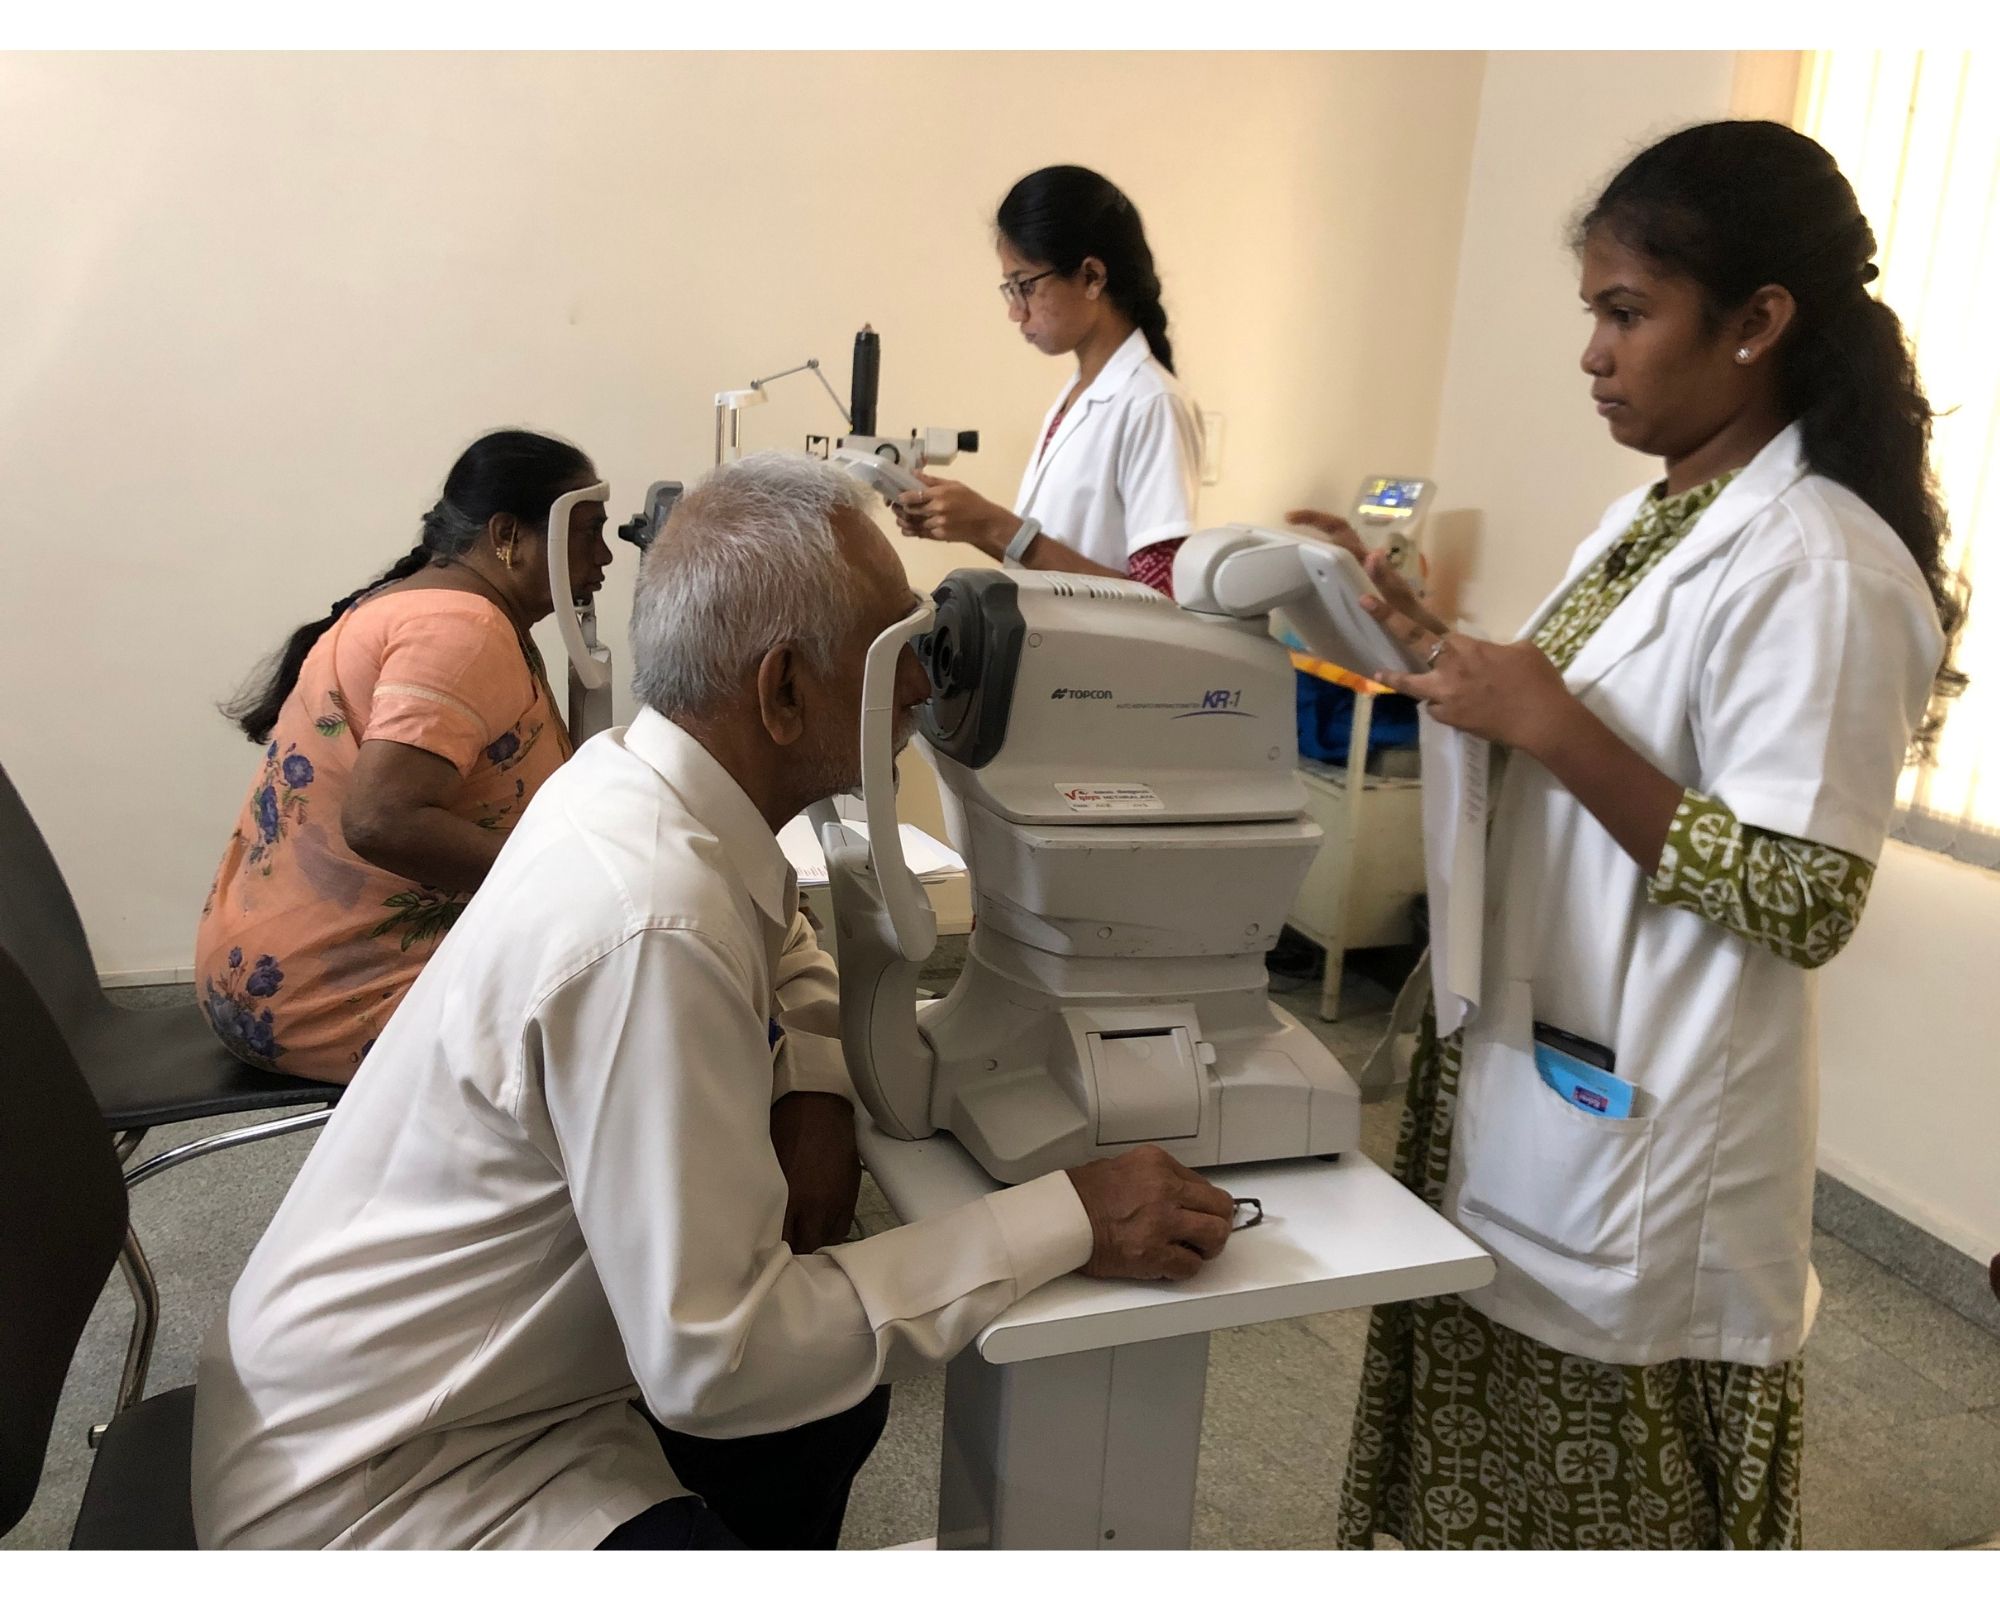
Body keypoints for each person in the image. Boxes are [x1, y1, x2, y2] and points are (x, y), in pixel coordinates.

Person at [189, 451, 1239, 1550]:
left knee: (829, 1404)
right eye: (896, 652)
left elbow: (781, 920)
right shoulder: (653, 925)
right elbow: (718, 1358)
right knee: (793, 1383)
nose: (924, 686)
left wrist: (817, 1087)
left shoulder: (628, 780)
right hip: (378, 1488)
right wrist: (1069, 1214)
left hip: (460, 1388)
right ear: (783, 689)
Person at [1293, 120, 1964, 1550]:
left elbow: (1802, 897)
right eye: (1592, 313)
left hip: (1650, 1157)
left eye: (1626, 313)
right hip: (1542, 1087)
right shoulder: (1660, 514)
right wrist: (1437, 648)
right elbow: (1574, 725)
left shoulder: (1822, 565)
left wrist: (1550, 723)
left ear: (1759, 322)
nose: (1593, 354)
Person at [196, 429, 611, 1084]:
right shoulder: (460, 631)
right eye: (588, 532)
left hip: (271, 971)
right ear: (508, 536)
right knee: (643, 1017)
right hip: (329, 998)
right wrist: (567, 882)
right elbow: (382, 819)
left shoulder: (434, 605)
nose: (606, 556)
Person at [891, 164, 1204, 596]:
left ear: (1092, 277)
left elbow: (1159, 600)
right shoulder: (1078, 394)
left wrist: (994, 524)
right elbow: (1051, 567)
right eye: (1010, 289)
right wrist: (964, 522)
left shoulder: (1152, 403)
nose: (1015, 311)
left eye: (1025, 286)